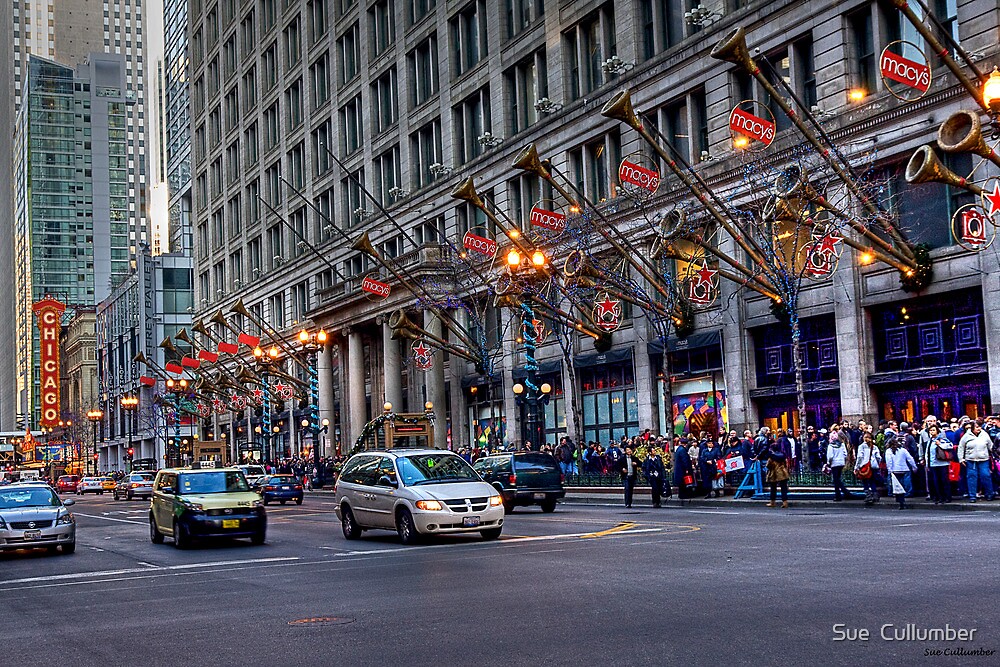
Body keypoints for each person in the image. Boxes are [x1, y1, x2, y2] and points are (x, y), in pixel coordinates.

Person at [958, 420, 996, 502]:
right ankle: (972, 496)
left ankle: (989, 494)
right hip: (970, 460)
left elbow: (991, 446)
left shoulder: (985, 435)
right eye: (976, 427)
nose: (979, 428)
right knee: (971, 477)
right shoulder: (966, 436)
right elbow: (961, 447)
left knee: (986, 476)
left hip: (983, 459)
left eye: (979, 427)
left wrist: (995, 454)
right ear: (972, 428)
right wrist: (961, 459)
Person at [885, 436, 917, 509]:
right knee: (905, 483)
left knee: (897, 486)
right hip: (904, 469)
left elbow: (889, 461)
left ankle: (899, 500)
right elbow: (910, 458)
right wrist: (914, 467)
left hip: (895, 470)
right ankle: (907, 494)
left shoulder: (889, 451)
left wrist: (890, 470)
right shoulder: (903, 450)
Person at [926, 424, 953, 505]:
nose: (932, 432)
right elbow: (927, 453)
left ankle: (947, 497)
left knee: (944, 481)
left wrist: (940, 444)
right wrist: (928, 464)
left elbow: (950, 446)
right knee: (936, 481)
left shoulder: (942, 439)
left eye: (933, 430)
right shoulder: (929, 441)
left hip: (942, 464)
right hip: (933, 464)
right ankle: (939, 497)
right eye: (930, 430)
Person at [854, 431, 883, 505]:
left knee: (865, 481)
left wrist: (856, 467)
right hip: (873, 466)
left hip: (865, 466)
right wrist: (877, 463)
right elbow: (878, 457)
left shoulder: (862, 446)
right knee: (872, 481)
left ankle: (868, 495)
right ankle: (875, 494)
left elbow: (860, 457)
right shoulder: (874, 447)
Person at [826, 424, 853, 501]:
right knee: (838, 478)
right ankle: (845, 492)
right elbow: (845, 454)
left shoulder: (831, 446)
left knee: (836, 480)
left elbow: (830, 456)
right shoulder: (842, 444)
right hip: (841, 463)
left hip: (834, 464)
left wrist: (828, 462)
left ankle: (839, 495)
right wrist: (842, 460)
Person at [765, 438, 790, 508]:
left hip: (774, 473)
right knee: (784, 488)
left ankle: (772, 502)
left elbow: (768, 465)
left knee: (773, 488)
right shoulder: (782, 455)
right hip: (782, 472)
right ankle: (785, 502)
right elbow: (786, 464)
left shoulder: (771, 457)